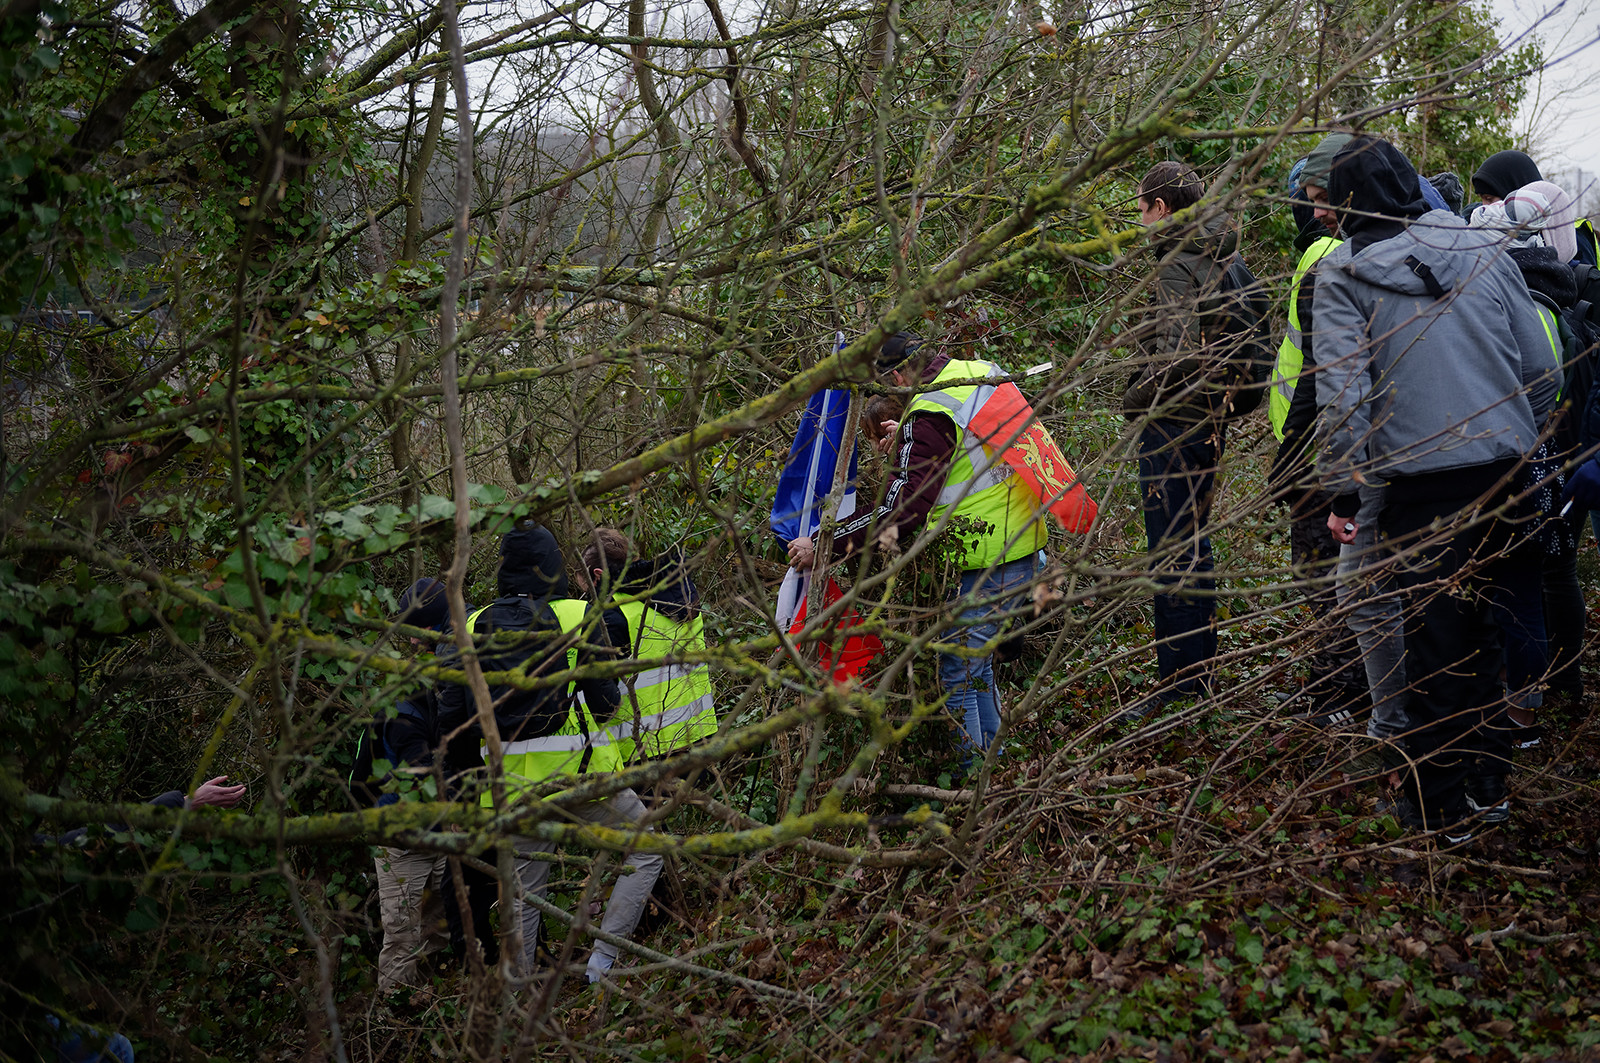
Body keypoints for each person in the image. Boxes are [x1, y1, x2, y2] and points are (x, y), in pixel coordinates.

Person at [1314, 135, 1561, 837]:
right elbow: (1542, 367)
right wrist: (1520, 438)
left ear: (1347, 205)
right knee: (1483, 632)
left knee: (1432, 645)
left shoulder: (1344, 276)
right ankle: (1487, 783)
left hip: (1421, 488)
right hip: (1507, 474)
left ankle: (1440, 807)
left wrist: (1343, 492)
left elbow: (1343, 400)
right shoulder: (1488, 249)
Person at [787, 331, 1091, 756]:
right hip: (1024, 543)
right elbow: (975, 452)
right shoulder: (976, 374)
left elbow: (902, 510)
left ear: (898, 373)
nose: (893, 391)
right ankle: (994, 766)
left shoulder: (930, 412)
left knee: (959, 673)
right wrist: (911, 439)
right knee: (979, 665)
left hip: (989, 557)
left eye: (891, 382)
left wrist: (823, 543)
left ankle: (972, 787)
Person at [435, 522, 662, 982]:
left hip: (514, 794)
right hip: (584, 781)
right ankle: (602, 965)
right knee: (648, 848)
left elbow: (452, 728)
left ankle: (518, 997)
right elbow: (605, 701)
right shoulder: (578, 616)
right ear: (553, 565)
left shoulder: (471, 628)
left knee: (523, 897)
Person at [1119, 161, 1252, 717]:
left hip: (1176, 425)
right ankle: (1198, 678)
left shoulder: (1178, 258)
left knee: (1171, 553)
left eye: (1142, 206)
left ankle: (1177, 688)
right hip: (1211, 424)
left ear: (1163, 208)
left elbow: (1178, 361)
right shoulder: (1225, 251)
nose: (1139, 218)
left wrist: (1134, 399)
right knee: (1195, 547)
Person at [1267, 146, 1368, 727]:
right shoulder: (1340, 252)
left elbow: (1318, 373)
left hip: (1322, 449)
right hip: (1326, 442)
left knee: (1323, 574)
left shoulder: (1324, 259)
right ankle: (1335, 684)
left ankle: (1339, 693)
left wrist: (1291, 457)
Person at [578, 528, 716, 764]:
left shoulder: (612, 614)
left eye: (583, 584)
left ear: (597, 575)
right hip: (700, 741)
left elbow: (603, 701)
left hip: (645, 754)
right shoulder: (682, 591)